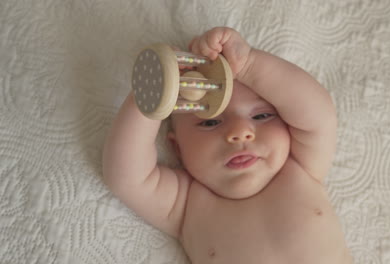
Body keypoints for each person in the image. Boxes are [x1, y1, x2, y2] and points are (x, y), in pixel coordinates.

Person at [103, 27, 353, 263]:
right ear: (178, 149)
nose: (240, 132)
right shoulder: (185, 204)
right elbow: (127, 177)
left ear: (288, 123)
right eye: (210, 123)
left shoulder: (300, 167)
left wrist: (247, 65)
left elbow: (318, 113)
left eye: (262, 116)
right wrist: (151, 96)